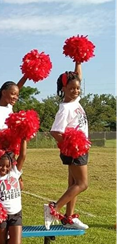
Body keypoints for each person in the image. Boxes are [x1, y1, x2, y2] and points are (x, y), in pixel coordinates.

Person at [44, 62, 90, 230]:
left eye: (78, 89)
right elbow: (55, 132)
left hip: (81, 148)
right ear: (63, 88)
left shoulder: (75, 100)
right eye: (71, 89)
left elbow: (78, 76)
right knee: (83, 184)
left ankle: (68, 218)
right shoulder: (65, 108)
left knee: (73, 184)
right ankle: (54, 209)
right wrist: (71, 145)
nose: (76, 91)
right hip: (75, 149)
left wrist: (78, 61)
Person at [0, 76, 28, 173]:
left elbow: (16, 87)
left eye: (17, 95)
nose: (16, 97)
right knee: (6, 180)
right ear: (4, 93)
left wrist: (27, 74)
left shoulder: (7, 105)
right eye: (13, 94)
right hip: (2, 153)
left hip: (8, 151)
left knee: (13, 179)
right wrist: (3, 142)